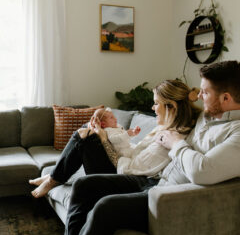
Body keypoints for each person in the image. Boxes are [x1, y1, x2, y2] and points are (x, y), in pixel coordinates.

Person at [64, 60, 240, 235]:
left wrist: (176, 143)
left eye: (206, 92)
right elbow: (187, 100)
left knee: (105, 207)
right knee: (83, 186)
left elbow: (202, 171)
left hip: (170, 197)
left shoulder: (236, 132)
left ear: (225, 98)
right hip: (155, 182)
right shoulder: (207, 114)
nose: (200, 96)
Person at [29, 80, 199, 198]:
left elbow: (130, 168)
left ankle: (53, 179)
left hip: (122, 177)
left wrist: (104, 139)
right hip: (123, 165)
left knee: (85, 137)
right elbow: (135, 153)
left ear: (172, 107)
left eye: (156, 103)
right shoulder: (163, 127)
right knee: (86, 130)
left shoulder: (169, 139)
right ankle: (55, 176)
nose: (152, 108)